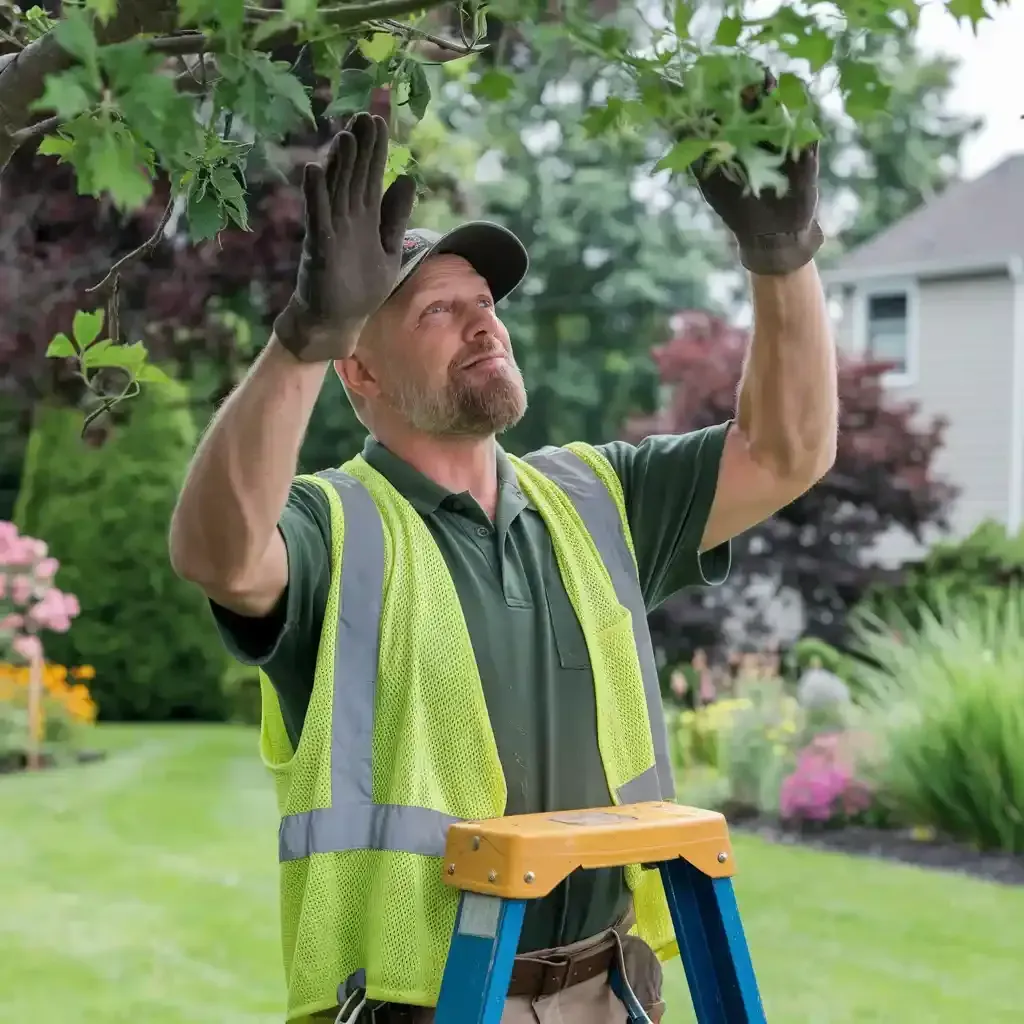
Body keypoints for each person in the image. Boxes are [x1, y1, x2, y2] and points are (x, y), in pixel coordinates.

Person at [169, 102, 837, 1024]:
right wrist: (304, 338)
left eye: (485, 303)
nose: (484, 326)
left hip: (607, 993)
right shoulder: (333, 528)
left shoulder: (598, 500)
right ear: (357, 372)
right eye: (439, 310)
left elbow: (786, 452)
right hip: (417, 1006)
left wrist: (785, 258)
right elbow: (218, 555)